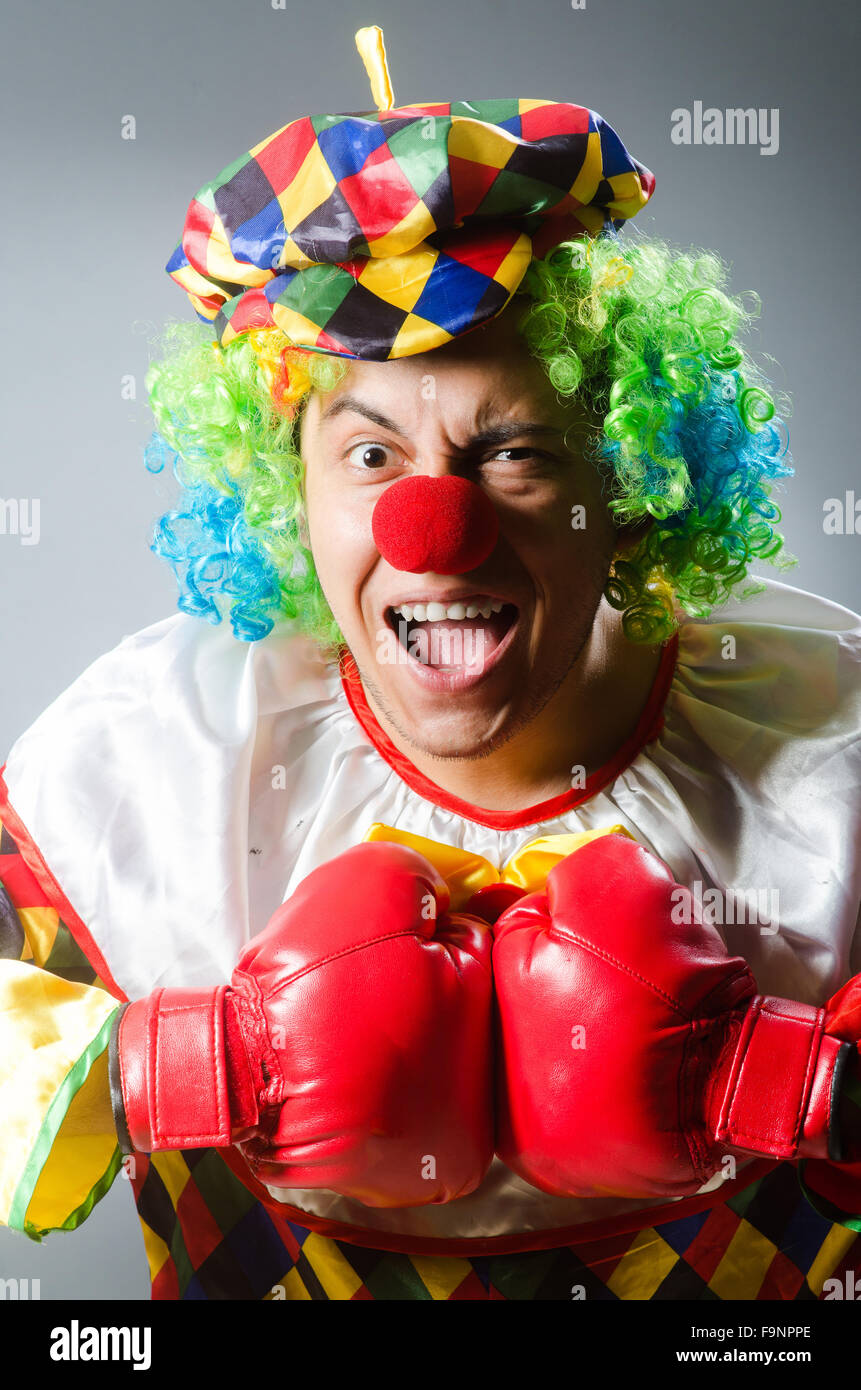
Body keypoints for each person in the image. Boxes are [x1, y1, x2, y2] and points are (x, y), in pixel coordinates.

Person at [1, 25, 860, 1301]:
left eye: (515, 450)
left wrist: (796, 1084)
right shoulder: (144, 764)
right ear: (285, 494)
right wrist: (183, 1065)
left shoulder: (826, 741)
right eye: (368, 456)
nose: (434, 528)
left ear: (630, 484)